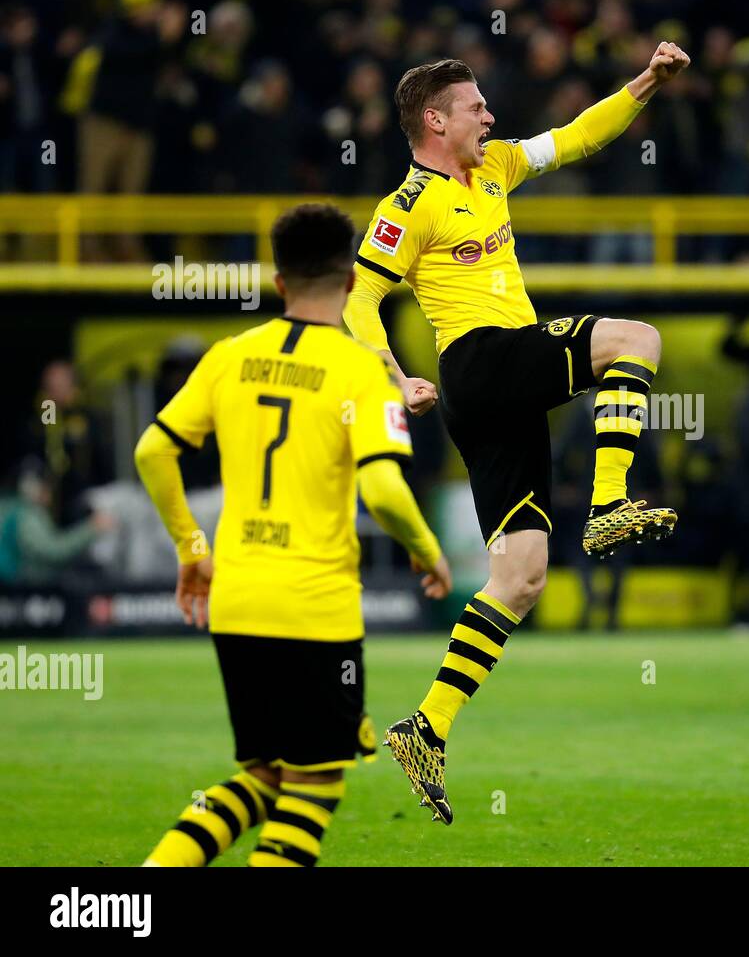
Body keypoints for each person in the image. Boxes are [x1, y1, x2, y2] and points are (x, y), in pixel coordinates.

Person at [344, 43, 689, 823]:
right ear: (435, 121)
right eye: (475, 108)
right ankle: (608, 501)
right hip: (478, 361)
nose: (490, 116)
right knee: (637, 342)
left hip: (493, 393)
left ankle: (425, 728)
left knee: (522, 578)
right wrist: (395, 376)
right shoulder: (408, 204)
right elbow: (359, 300)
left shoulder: (495, 164)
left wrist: (645, 83)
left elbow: (577, 137)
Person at [134, 203, 452, 867]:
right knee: (314, 784)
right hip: (313, 607)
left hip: (237, 599)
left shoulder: (229, 357)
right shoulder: (360, 370)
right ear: (348, 283)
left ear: (279, 283)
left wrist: (193, 547)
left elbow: (152, 452)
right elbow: (386, 491)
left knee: (265, 775)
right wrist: (428, 551)